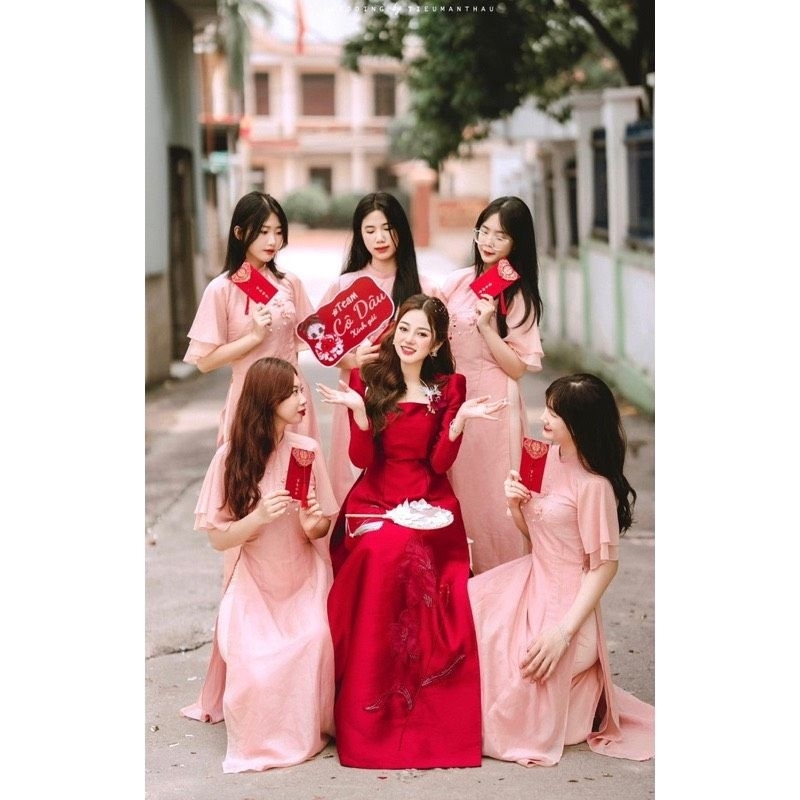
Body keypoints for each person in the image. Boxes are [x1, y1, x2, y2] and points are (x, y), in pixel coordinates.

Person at [315, 294, 507, 769]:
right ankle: (367, 698)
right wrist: (360, 415)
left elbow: (438, 463)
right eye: (404, 328)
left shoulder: (449, 387)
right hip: (375, 497)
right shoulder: (367, 379)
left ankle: (425, 705)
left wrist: (457, 424)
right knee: (380, 549)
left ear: (436, 344)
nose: (409, 339)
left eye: (422, 333)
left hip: (429, 499)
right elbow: (362, 459)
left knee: (411, 547)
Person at [468, 373, 655, 767]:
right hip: (529, 580)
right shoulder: (542, 457)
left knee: (515, 686)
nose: (544, 418)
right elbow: (537, 535)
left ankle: (577, 685)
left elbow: (605, 567)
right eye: (548, 409)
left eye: (554, 413)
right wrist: (515, 505)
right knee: (467, 622)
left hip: (568, 608)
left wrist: (562, 633)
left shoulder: (594, 487)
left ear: (580, 424)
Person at [180, 357, 338, 773]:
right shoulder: (230, 458)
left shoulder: (306, 451)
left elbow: (321, 527)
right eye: (293, 392)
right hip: (254, 581)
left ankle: (307, 730)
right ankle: (266, 736)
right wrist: (258, 517)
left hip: (304, 578)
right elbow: (219, 539)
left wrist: (313, 524)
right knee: (255, 667)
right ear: (267, 400)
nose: (303, 399)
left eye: (302, 390)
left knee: (315, 639)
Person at [438, 196, 545, 574]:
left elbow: (517, 368)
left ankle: (504, 582)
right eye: (484, 231)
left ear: (517, 242)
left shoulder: (519, 295)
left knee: (494, 499)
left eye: (500, 236)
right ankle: (460, 584)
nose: (488, 241)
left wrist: (487, 327)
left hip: (495, 407)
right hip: (454, 400)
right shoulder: (457, 282)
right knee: (456, 492)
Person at [318, 192, 439, 504]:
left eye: (387, 228)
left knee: (405, 478)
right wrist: (352, 360)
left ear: (401, 230)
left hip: (409, 399)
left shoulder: (425, 287)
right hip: (357, 391)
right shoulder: (345, 286)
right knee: (353, 473)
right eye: (369, 230)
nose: (379, 238)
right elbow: (324, 347)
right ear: (359, 235)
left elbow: (439, 349)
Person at [183, 191, 321, 448]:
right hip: (250, 402)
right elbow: (204, 362)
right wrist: (254, 337)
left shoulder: (290, 283)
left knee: (296, 471)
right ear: (239, 233)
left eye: (278, 232)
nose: (272, 241)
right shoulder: (221, 289)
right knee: (249, 471)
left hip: (293, 401)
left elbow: (316, 338)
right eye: (263, 231)